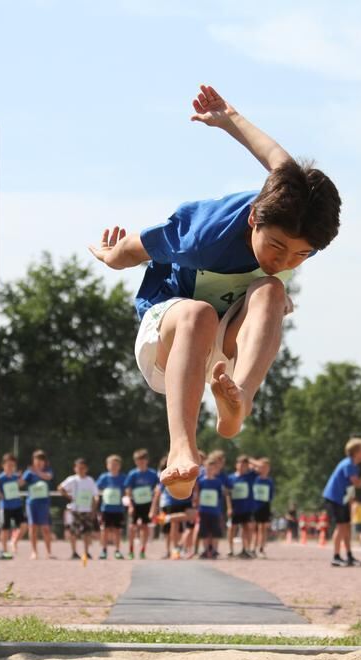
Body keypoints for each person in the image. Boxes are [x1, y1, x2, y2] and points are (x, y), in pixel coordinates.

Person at [89, 85, 341, 501]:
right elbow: (134, 249)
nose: (285, 259)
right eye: (276, 246)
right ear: (254, 217)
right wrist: (109, 255)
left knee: (272, 291)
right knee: (197, 315)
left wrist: (229, 118)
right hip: (169, 339)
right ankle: (181, 447)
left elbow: (279, 160)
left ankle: (238, 396)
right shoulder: (202, 232)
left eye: (302, 254)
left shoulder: (298, 208)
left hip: (229, 341)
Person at [321, 438, 361, 567]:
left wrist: (351, 501)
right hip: (335, 498)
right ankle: (336, 556)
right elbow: (358, 484)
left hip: (342, 499)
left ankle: (349, 556)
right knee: (341, 526)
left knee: (346, 526)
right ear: (356, 452)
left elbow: (349, 486)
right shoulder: (349, 465)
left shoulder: (353, 465)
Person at [58, 458, 98, 561]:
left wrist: (93, 510)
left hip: (87, 510)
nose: (81, 470)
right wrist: (69, 497)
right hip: (75, 510)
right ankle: (74, 552)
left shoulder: (90, 480)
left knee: (87, 532)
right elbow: (60, 488)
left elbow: (95, 496)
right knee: (73, 532)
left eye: (83, 468)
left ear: (86, 469)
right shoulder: (72, 480)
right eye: (78, 468)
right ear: (75, 468)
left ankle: (86, 552)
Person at [124, 449, 160, 560]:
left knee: (145, 527)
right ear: (135, 461)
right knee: (132, 527)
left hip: (147, 504)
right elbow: (128, 489)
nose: (141, 463)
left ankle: (143, 550)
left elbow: (158, 488)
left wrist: (154, 506)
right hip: (135, 503)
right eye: (138, 460)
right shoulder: (132, 474)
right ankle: (130, 550)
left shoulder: (153, 474)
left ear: (147, 461)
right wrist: (130, 505)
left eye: (143, 460)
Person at [194, 456, 229, 559]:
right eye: (207, 468)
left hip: (215, 511)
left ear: (215, 469)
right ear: (204, 468)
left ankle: (214, 550)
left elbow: (220, 496)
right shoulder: (201, 481)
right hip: (203, 510)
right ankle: (205, 550)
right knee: (204, 532)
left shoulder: (218, 482)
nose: (209, 470)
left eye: (212, 469)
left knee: (215, 532)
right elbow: (197, 494)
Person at [22, 449, 53, 559]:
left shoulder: (47, 470)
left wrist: (37, 472)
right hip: (31, 503)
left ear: (45, 462)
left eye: (41, 460)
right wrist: (19, 476)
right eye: (37, 460)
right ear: (33, 461)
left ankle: (49, 552)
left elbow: (48, 477)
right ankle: (34, 552)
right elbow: (20, 483)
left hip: (44, 503)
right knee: (33, 527)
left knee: (45, 528)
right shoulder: (29, 472)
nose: (39, 462)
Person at [226, 455, 259, 558]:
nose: (241, 466)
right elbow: (228, 494)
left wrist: (250, 459)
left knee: (247, 528)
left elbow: (260, 466)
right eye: (240, 463)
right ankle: (231, 550)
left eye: (244, 464)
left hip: (247, 507)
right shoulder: (231, 478)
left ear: (247, 466)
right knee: (232, 528)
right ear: (236, 465)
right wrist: (229, 507)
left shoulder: (250, 476)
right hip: (235, 508)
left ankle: (246, 549)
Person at [96, 454, 127, 560]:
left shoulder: (123, 477)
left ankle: (117, 550)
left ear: (119, 466)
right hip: (106, 509)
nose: (114, 466)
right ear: (107, 466)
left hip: (118, 509)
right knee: (104, 529)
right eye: (111, 464)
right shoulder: (104, 477)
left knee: (117, 530)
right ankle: (103, 551)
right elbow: (97, 489)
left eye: (116, 464)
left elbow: (127, 490)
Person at [0, 453, 26, 559]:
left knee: (24, 526)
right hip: (5, 506)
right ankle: (4, 550)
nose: (10, 467)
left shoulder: (16, 477)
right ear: (3, 465)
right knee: (5, 529)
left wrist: (21, 478)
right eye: (8, 465)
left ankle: (14, 541)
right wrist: (1, 495)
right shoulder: (0, 478)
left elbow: (21, 484)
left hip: (17, 505)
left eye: (13, 465)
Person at [252, 457, 274, 557]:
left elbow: (271, 495)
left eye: (266, 467)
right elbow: (248, 460)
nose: (264, 469)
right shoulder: (254, 478)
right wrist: (258, 464)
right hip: (254, 506)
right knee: (254, 528)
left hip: (265, 506)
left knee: (263, 528)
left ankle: (261, 548)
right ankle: (253, 548)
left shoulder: (269, 481)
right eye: (262, 467)